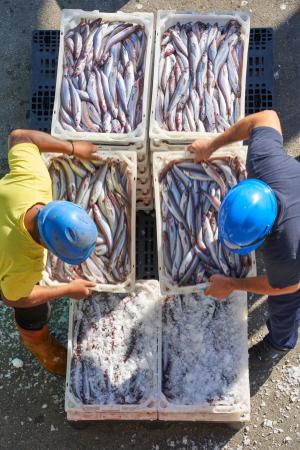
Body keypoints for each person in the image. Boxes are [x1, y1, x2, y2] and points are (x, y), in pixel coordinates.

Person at [188, 110, 300, 369]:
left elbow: (285, 286)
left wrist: (232, 284)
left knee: (287, 302)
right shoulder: (263, 162)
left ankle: (281, 342)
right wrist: (211, 145)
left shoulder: (286, 250)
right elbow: (266, 117)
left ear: (266, 235)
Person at [0, 129, 101, 376]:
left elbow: (20, 136)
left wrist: (74, 148)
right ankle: (38, 343)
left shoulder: (34, 182)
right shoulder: (25, 263)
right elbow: (12, 298)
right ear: (47, 247)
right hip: (8, 262)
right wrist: (66, 290)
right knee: (34, 310)